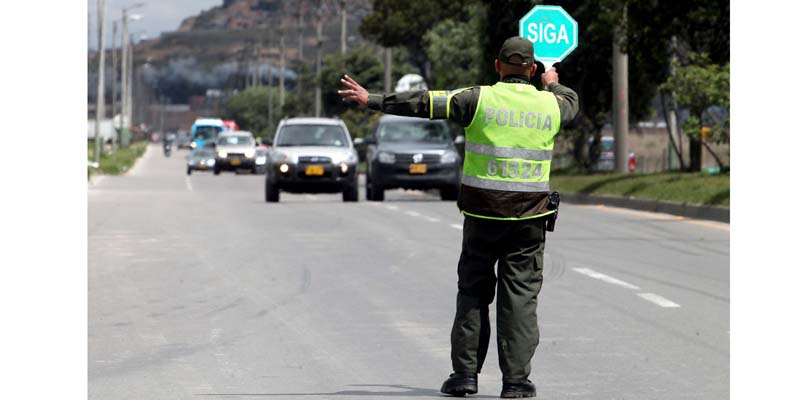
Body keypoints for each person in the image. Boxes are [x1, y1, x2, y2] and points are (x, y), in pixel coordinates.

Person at [338, 36, 579, 398]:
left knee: (473, 292)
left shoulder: (476, 98)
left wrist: (371, 99)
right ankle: (515, 383)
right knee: (520, 299)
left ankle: (465, 375)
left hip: (482, 216)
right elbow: (571, 102)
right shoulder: (550, 104)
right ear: (531, 70)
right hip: (528, 220)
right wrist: (551, 80)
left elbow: (423, 102)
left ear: (497, 66)